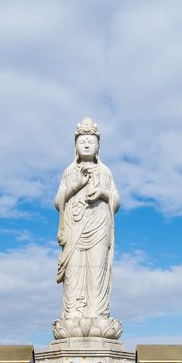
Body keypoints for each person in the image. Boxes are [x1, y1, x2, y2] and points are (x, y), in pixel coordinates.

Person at [54, 118, 120, 329]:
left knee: (97, 270)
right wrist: (77, 185)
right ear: (75, 145)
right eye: (82, 140)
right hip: (75, 227)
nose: (86, 144)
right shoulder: (69, 172)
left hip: (99, 226)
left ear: (98, 145)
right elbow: (58, 201)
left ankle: (97, 314)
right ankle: (73, 314)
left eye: (91, 140)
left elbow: (116, 200)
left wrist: (102, 193)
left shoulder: (105, 172)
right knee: (74, 272)